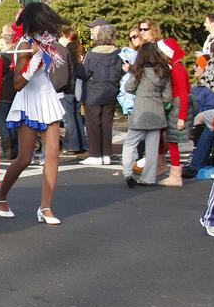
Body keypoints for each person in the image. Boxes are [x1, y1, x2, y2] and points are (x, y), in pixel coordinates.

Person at [0, 3, 67, 225]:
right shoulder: (24, 45)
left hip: (47, 97)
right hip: (28, 100)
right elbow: (17, 84)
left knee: (53, 152)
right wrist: (33, 62)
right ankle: (0, 196)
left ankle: (45, 207)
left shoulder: (47, 43)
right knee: (24, 158)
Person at [122, 42, 173, 186]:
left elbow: (128, 87)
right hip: (157, 112)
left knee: (130, 143)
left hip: (140, 112)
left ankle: (127, 173)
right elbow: (167, 96)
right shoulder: (164, 72)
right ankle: (148, 178)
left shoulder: (139, 71)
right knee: (152, 148)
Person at [150, 25, 190, 186]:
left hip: (177, 106)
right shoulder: (175, 67)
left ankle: (176, 175)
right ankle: (164, 166)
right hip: (175, 105)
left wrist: (181, 117)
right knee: (165, 136)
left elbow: (183, 94)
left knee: (173, 141)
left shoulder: (178, 69)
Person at [78, 24, 122, 165]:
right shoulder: (118, 53)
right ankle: (107, 154)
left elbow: (84, 74)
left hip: (93, 92)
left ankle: (96, 154)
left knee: (93, 124)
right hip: (111, 91)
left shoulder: (92, 53)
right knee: (107, 124)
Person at [58, 26, 87, 156]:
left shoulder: (67, 49)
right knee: (76, 116)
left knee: (68, 118)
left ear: (67, 37)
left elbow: (66, 69)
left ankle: (71, 145)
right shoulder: (79, 47)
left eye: (61, 37)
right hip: (78, 86)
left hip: (68, 88)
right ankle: (81, 144)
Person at [0, 25, 19, 160]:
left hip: (4, 93)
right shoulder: (17, 53)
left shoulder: (7, 56)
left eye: (4, 35)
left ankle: (8, 151)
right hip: (14, 92)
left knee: (4, 123)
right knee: (12, 123)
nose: (2, 37)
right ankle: (14, 150)